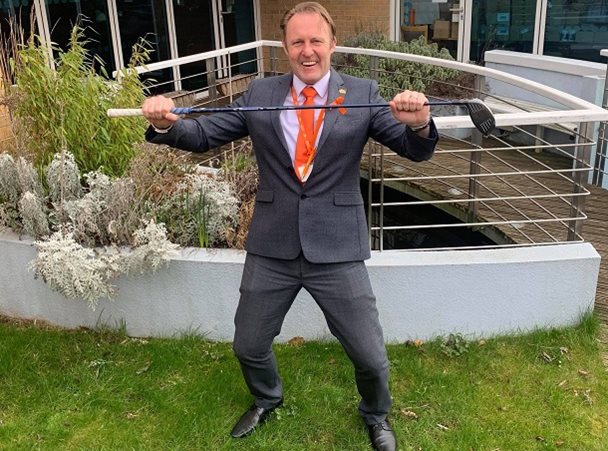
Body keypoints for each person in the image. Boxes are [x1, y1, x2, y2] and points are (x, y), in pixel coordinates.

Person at [142, 2, 438, 450]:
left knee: (371, 357)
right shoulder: (262, 92)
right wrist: (168, 122)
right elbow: (205, 134)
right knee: (248, 344)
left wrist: (419, 125)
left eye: (316, 40)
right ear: (285, 46)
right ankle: (267, 397)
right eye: (297, 41)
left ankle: (376, 415)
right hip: (273, 244)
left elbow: (412, 148)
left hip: (337, 247)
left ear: (332, 43)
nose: (307, 51)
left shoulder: (361, 92)